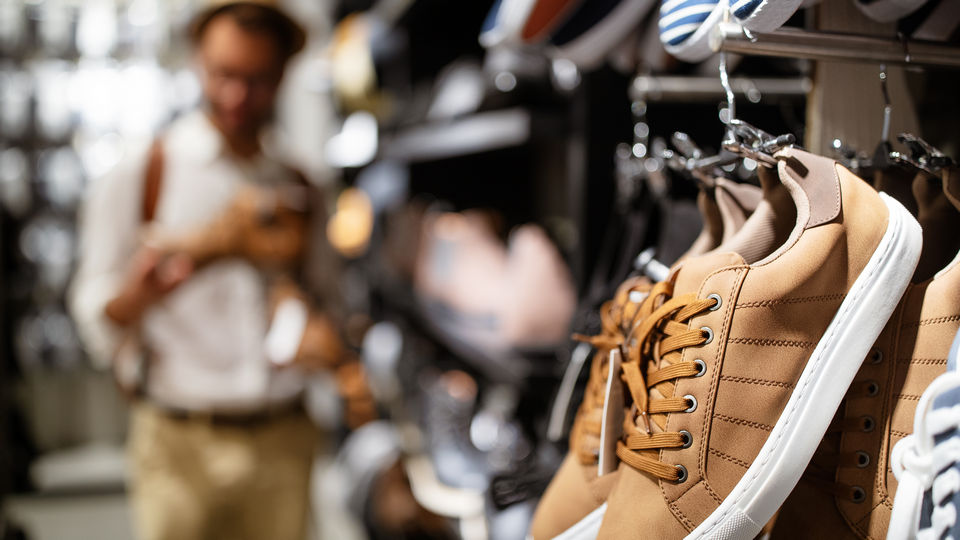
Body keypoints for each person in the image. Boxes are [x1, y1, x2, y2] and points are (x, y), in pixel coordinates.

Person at [69, 2, 328, 539]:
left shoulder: (300, 183)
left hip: (283, 440)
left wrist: (313, 327)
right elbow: (95, 315)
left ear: (282, 74)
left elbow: (328, 299)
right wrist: (141, 294)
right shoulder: (143, 173)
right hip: (178, 440)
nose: (236, 96)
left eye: (256, 80)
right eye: (223, 74)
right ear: (197, 63)